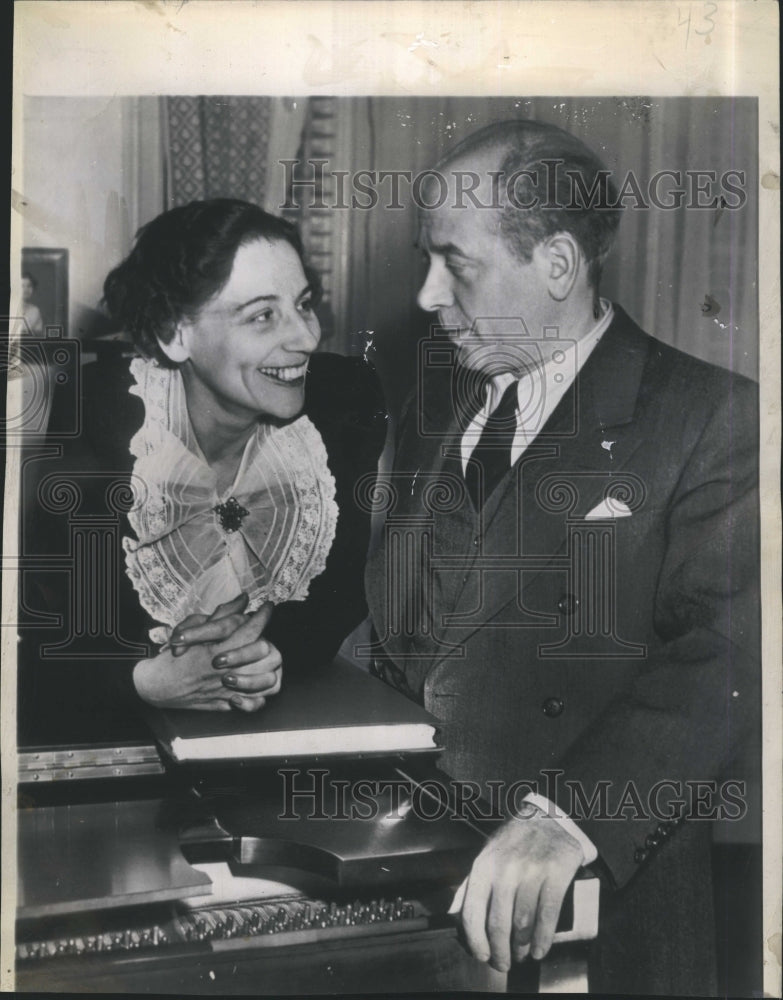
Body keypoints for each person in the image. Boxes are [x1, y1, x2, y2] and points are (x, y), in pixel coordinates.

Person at [365, 120, 759, 995]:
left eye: (453, 262)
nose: (428, 294)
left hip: (597, 911)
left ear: (554, 265)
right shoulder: (427, 413)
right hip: (419, 895)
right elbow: (400, 636)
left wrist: (566, 817)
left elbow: (731, 653)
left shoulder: (712, 420)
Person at [19, 200, 385, 742]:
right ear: (174, 333)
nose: (307, 338)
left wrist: (267, 645)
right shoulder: (93, 423)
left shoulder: (343, 403)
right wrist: (143, 679)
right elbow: (36, 646)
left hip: (278, 741)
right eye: (262, 315)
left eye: (303, 305)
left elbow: (341, 596)